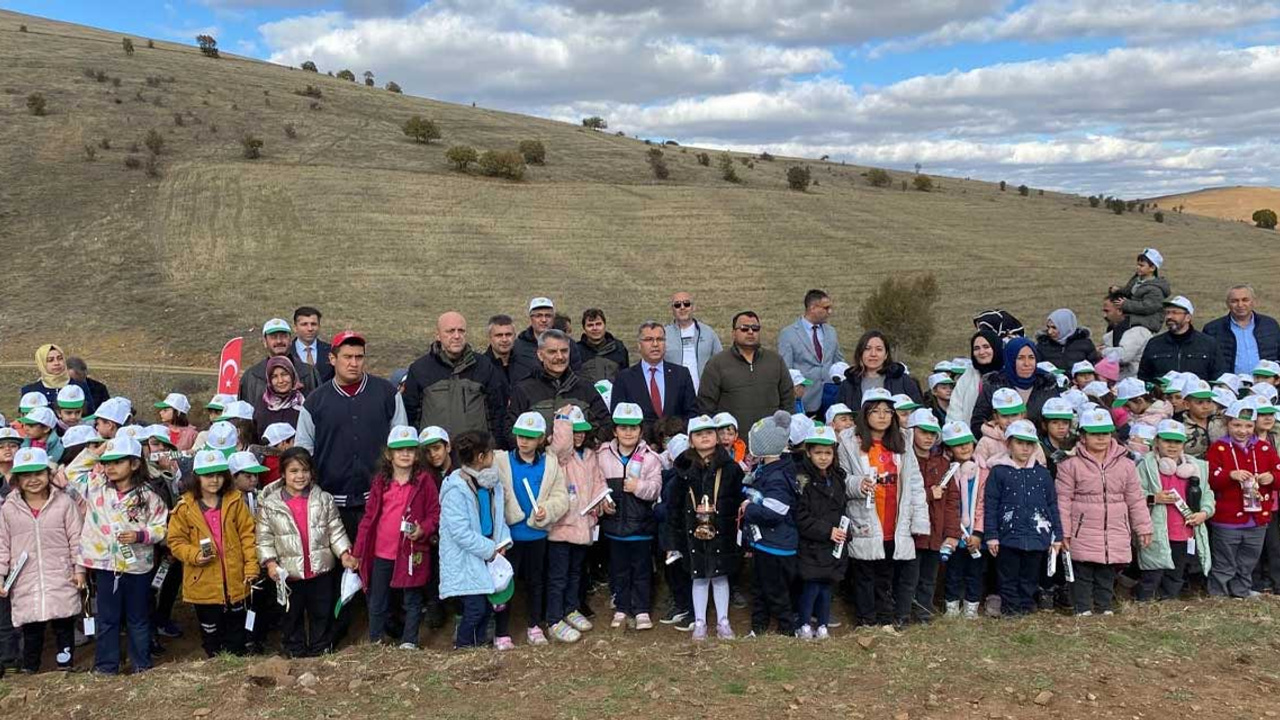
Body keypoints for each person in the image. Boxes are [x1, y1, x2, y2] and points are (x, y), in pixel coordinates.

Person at [64, 436, 168, 674]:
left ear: (134, 464)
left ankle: (142, 664)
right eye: (107, 462)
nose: (110, 467)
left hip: (137, 566)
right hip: (104, 565)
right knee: (107, 619)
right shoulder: (95, 485)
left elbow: (161, 527)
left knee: (138, 618)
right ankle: (106, 666)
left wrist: (140, 536)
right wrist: (94, 452)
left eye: (117, 462)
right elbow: (71, 472)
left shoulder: (148, 495)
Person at [296, 331, 407, 533]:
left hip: (379, 498)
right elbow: (303, 452)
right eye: (347, 357)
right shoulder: (314, 402)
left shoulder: (387, 394)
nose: (354, 363)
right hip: (330, 502)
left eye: (359, 357)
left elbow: (401, 446)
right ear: (332, 359)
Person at [839, 390, 928, 629]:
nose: (882, 416)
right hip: (865, 516)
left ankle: (885, 618)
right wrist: (858, 484)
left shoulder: (902, 441)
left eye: (887, 411)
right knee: (864, 573)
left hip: (894, 519)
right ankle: (866, 619)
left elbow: (914, 482)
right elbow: (841, 479)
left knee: (886, 573)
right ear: (864, 414)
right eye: (875, 411)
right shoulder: (848, 442)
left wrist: (919, 521)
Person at [256, 447, 356, 657]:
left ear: (311, 472)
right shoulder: (270, 504)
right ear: (283, 474)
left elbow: (335, 530)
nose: (300, 476)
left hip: (320, 570)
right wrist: (271, 564)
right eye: (293, 471)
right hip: (289, 574)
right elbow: (264, 539)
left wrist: (344, 553)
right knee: (291, 615)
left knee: (321, 612)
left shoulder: (324, 499)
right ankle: (295, 651)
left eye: (304, 470)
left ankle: (320, 649)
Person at [1056, 408, 1153, 615]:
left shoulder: (1126, 465)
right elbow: (1063, 500)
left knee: (1106, 570)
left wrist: (1143, 526)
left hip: (1115, 528)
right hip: (1082, 530)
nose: (1101, 438)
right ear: (1083, 436)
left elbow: (1135, 499)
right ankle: (1082, 608)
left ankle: (1104, 606)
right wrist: (1063, 531)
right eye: (1094, 433)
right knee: (1082, 570)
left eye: (1105, 433)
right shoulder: (1070, 465)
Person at [352, 427, 441, 649]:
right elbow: (369, 517)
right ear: (388, 454)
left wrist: (424, 529)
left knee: (412, 598)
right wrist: (358, 552)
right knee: (377, 598)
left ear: (417, 454)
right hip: (382, 551)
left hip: (411, 551)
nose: (405, 454)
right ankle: (376, 639)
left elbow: (435, 513)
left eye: (410, 449)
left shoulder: (424, 481)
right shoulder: (380, 482)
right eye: (399, 450)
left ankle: (409, 641)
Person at [166, 450, 259, 657]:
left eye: (218, 474)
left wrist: (251, 565)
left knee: (236, 623)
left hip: (235, 577)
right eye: (208, 475)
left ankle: (236, 658)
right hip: (203, 580)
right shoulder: (185, 507)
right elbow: (175, 541)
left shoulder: (235, 501)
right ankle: (215, 659)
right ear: (196, 477)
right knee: (210, 627)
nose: (214, 480)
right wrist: (194, 555)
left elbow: (248, 535)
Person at [0, 447, 84, 673]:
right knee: (31, 628)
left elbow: (77, 538)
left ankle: (64, 665)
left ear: (48, 474)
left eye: (38, 473)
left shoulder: (65, 503)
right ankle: (30, 668)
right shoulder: (8, 509)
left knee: (64, 623)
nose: (33, 480)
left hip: (60, 573)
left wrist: (79, 570)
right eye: (26, 476)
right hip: (25, 577)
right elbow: (2, 545)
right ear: (17, 480)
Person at [492, 412, 569, 647]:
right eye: (520, 436)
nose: (523, 441)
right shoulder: (501, 461)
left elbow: (561, 496)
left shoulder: (550, 464)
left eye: (530, 437)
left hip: (536, 534)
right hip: (508, 537)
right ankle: (501, 631)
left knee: (537, 581)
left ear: (540, 440)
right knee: (503, 584)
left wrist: (547, 509)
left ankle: (535, 625)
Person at [666, 414, 745, 640]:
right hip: (692, 534)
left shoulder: (731, 468)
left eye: (709, 433)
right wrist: (672, 541)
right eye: (699, 434)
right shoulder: (682, 470)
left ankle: (723, 621)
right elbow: (673, 507)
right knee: (698, 577)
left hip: (723, 531)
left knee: (721, 577)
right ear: (691, 440)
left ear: (717, 437)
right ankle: (699, 622)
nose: (705, 437)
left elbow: (739, 499)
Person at [437, 431, 511, 649]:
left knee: (487, 608)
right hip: (467, 561)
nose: (493, 457)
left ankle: (478, 648)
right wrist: (490, 549)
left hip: (487, 556)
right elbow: (460, 533)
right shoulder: (455, 489)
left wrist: (503, 541)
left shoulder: (493, 484)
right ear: (481, 457)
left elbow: (499, 518)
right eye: (490, 453)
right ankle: (463, 648)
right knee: (476, 608)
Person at [982, 420, 1063, 616]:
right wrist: (992, 535)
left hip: (1037, 536)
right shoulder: (998, 472)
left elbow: (1052, 504)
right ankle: (1010, 609)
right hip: (1008, 535)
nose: (1025, 448)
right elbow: (991, 504)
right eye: (1020, 443)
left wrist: (1057, 535)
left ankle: (1026, 607)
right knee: (1008, 575)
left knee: (1030, 575)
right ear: (1009, 443)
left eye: (1029, 444)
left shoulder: (1042, 474)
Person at [597, 402, 664, 631]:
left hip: (642, 528)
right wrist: (602, 504)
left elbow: (655, 489)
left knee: (642, 570)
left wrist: (638, 487)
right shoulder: (603, 456)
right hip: (614, 528)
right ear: (615, 430)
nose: (628, 432)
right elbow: (596, 485)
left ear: (641, 431)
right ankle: (622, 608)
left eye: (633, 427)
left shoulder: (650, 458)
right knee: (619, 570)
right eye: (623, 427)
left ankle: (642, 609)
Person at [1206, 400, 1279, 597]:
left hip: (1258, 517)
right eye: (1236, 425)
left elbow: (1278, 472)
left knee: (1249, 558)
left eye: (1248, 425)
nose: (1242, 430)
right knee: (1224, 558)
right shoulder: (1218, 448)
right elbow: (1210, 477)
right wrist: (1229, 475)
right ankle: (1219, 591)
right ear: (1227, 424)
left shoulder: (1264, 448)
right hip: (1227, 517)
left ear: (1254, 425)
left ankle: (1241, 589)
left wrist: (1272, 477)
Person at [545, 406, 605, 643]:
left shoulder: (590, 455)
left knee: (576, 573)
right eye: (574, 431)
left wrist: (602, 501)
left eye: (581, 431)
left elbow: (598, 482)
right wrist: (562, 420)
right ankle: (554, 618)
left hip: (584, 525)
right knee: (558, 576)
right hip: (562, 526)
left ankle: (571, 609)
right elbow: (560, 446)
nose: (578, 436)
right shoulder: (559, 456)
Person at [1135, 420, 1212, 601]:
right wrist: (1154, 498)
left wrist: (1204, 513)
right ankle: (1144, 603)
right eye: (1167, 440)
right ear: (1157, 442)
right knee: (1152, 571)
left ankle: (1168, 602)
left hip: (1185, 530)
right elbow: (1133, 494)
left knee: (1176, 572)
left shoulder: (1197, 467)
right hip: (1156, 529)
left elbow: (1207, 495)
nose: (1172, 445)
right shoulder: (1145, 466)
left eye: (1177, 441)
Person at [740, 411, 802, 635]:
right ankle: (758, 626)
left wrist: (750, 509)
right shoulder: (765, 469)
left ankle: (787, 628)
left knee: (776, 591)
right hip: (763, 543)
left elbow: (776, 511)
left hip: (776, 545)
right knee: (758, 588)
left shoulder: (778, 476)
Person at [401, 312, 508, 437]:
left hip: (475, 452)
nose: (457, 336)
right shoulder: (420, 369)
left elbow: (497, 411)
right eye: (450, 331)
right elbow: (410, 415)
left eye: (461, 331)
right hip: (434, 453)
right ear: (438, 335)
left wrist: (493, 446)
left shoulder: (484, 366)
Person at [506, 329, 613, 445]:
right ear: (540, 355)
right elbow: (510, 433)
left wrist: (584, 442)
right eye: (552, 352)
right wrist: (541, 446)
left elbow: (606, 426)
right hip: (541, 460)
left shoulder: (586, 388)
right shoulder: (523, 390)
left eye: (564, 351)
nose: (560, 356)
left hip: (580, 460)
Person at [791, 424, 848, 639]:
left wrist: (844, 531)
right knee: (811, 585)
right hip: (812, 544)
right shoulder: (802, 479)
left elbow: (842, 508)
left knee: (827, 586)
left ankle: (823, 624)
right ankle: (805, 623)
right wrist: (827, 531)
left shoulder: (837, 478)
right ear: (808, 452)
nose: (823, 458)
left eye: (828, 453)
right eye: (818, 453)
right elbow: (801, 515)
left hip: (834, 543)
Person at [698, 312, 793, 432]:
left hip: (771, 441)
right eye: (744, 328)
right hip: (732, 443)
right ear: (733, 333)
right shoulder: (717, 364)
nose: (750, 332)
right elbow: (706, 405)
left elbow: (788, 401)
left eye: (755, 328)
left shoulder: (775, 361)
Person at [936, 422, 987, 618]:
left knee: (975, 571)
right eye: (958, 444)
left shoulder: (984, 471)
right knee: (953, 571)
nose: (965, 447)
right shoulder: (945, 471)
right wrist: (952, 531)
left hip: (976, 534)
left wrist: (978, 533)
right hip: (953, 534)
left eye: (968, 442)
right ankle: (951, 606)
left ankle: (971, 606)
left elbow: (984, 504)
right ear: (948, 449)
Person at [905, 410, 948, 623]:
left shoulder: (941, 464)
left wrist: (951, 532)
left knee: (929, 576)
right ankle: (906, 609)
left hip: (935, 531)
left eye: (933, 433)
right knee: (910, 575)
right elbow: (906, 493)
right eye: (923, 432)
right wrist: (930, 493)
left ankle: (923, 610)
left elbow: (951, 500)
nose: (928, 437)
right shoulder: (904, 460)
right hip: (912, 531)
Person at [969, 337, 1061, 436]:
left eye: (1031, 357)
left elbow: (1059, 418)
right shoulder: (994, 385)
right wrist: (995, 433)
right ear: (1011, 360)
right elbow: (977, 422)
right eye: (1020, 358)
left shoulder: (1047, 385)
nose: (1027, 363)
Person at [611, 321, 698, 424]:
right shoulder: (624, 378)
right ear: (639, 345)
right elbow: (617, 416)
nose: (655, 344)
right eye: (649, 340)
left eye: (660, 339)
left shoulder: (681, 374)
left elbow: (692, 413)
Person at [778, 290, 845, 414]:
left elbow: (839, 362)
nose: (830, 312)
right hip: (804, 403)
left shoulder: (831, 332)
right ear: (812, 308)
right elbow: (785, 369)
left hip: (831, 401)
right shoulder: (788, 334)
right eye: (826, 308)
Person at [836, 331, 923, 412]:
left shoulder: (903, 381)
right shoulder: (848, 385)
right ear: (860, 353)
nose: (873, 354)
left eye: (879, 349)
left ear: (886, 355)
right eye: (867, 348)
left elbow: (919, 412)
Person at [1203, 285, 1280, 376]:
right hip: (1230, 387)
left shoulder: (1270, 325)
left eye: (1245, 300)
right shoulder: (1212, 329)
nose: (1240, 305)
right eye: (1234, 301)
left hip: (1265, 385)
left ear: (1253, 302)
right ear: (1227, 304)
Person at [1138, 296, 1220, 382]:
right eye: (1167, 312)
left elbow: (1217, 376)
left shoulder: (1208, 344)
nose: (1169, 316)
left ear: (1188, 317)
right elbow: (1144, 378)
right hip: (1163, 395)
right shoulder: (1154, 344)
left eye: (1175, 313)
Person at [239, 319, 318, 405]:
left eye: (283, 336)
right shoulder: (252, 376)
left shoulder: (309, 373)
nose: (279, 341)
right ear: (265, 342)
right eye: (273, 337)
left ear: (290, 340)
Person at [512, 298, 583, 384]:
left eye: (548, 316)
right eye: (538, 316)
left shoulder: (568, 343)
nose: (544, 320)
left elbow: (577, 373)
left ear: (553, 318)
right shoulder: (518, 346)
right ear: (531, 319)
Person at [664, 292, 723, 392]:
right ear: (672, 309)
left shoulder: (708, 332)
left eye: (686, 304)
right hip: (673, 393)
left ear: (693, 307)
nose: (682, 308)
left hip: (703, 393)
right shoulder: (663, 334)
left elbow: (721, 361)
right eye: (677, 305)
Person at [21, 344, 97, 416]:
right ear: (41, 363)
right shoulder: (30, 390)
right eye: (50, 360)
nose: (57, 363)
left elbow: (90, 413)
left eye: (60, 358)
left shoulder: (79, 386)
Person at [948, 330, 1004, 426]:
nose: (981, 352)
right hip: (969, 436)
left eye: (986, 347)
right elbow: (955, 408)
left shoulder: (1006, 374)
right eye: (976, 348)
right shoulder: (968, 375)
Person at [1109, 248, 1171, 332]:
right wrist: (1118, 290)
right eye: (1137, 264)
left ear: (1152, 268)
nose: (1138, 267)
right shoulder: (1137, 279)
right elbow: (1129, 291)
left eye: (1141, 265)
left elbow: (1147, 307)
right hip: (1134, 315)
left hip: (1147, 321)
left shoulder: (1155, 289)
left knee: (1121, 324)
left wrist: (1126, 304)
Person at [1101, 291, 1153, 380]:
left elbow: (1123, 356)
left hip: (1137, 383)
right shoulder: (1111, 334)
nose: (1104, 316)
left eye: (1107, 311)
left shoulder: (1138, 331)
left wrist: (1102, 352)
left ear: (1120, 310)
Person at [577, 308, 630, 384]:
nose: (595, 328)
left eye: (598, 324)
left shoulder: (619, 348)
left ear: (604, 325)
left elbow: (626, 376)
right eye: (590, 325)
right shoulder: (577, 351)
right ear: (584, 328)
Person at [1036, 309, 1101, 371]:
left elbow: (1094, 366)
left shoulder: (1085, 344)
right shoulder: (1042, 346)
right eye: (1048, 327)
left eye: (1054, 328)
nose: (1050, 331)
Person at [290, 306, 334, 386]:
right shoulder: (286, 352)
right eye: (304, 324)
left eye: (313, 324)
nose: (310, 328)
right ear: (295, 327)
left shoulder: (331, 350)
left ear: (319, 326)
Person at [483, 314, 519, 384]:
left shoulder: (524, 364)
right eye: (499, 335)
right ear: (490, 338)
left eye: (508, 334)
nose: (504, 339)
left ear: (515, 336)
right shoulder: (482, 367)